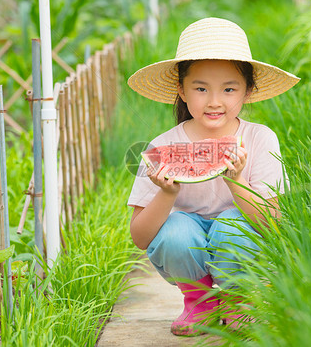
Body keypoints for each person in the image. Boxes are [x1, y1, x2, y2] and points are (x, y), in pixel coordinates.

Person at [127, 17, 300, 336]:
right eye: (201, 88)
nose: (215, 101)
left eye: (229, 89)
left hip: (242, 239)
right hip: (184, 247)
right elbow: (139, 237)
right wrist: (167, 193)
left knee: (232, 226)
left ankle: (237, 299)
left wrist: (235, 180)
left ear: (247, 91)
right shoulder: (162, 147)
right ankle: (200, 303)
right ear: (181, 89)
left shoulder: (261, 139)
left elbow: (273, 223)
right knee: (177, 228)